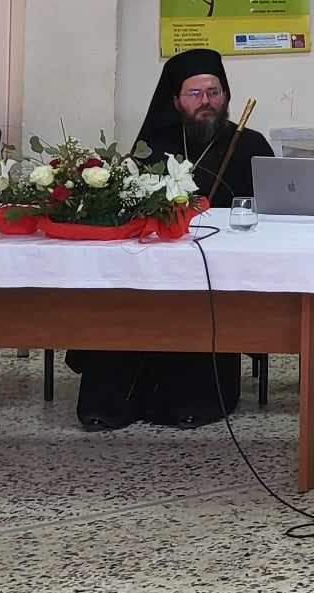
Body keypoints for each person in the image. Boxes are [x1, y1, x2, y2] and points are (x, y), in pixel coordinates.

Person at [68, 49, 276, 431]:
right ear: (176, 100)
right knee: (120, 295)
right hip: (153, 265)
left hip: (219, 275)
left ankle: (195, 397)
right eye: (195, 94)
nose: (205, 102)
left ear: (226, 96)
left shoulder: (251, 144)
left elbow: (272, 214)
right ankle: (111, 399)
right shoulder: (153, 145)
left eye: (213, 92)